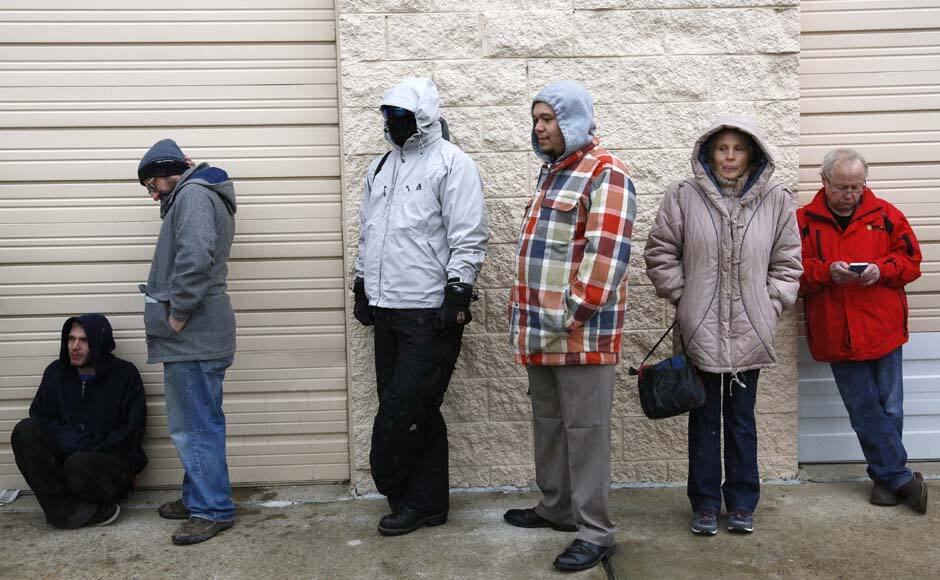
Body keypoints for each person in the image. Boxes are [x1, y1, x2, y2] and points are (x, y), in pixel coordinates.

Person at [645, 115, 802, 536]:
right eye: (722, 149)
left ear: (752, 153)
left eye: (738, 149)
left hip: (750, 331)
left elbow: (788, 263)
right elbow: (660, 252)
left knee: (741, 422)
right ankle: (706, 505)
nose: (729, 157)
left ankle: (743, 503)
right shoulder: (683, 195)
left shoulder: (775, 200)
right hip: (699, 330)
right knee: (704, 420)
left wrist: (769, 305)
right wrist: (685, 298)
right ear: (708, 153)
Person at [504, 80, 636, 572]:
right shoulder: (552, 174)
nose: (539, 128)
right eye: (536, 119)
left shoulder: (607, 172)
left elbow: (607, 256)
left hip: (579, 333)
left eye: (548, 119)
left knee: (586, 432)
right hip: (540, 333)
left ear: (573, 120)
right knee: (550, 427)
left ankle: (596, 532)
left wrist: (571, 315)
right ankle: (557, 507)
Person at [353, 77, 488, 536]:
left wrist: (458, 292)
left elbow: (467, 234)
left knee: (403, 410)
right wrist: (361, 283)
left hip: (430, 311)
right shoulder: (380, 169)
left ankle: (396, 486)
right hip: (387, 306)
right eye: (387, 115)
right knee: (417, 409)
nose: (391, 123)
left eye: (400, 114)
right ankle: (425, 503)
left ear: (422, 116)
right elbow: (369, 232)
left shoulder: (452, 165)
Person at [797, 148, 927, 513]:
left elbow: (911, 262)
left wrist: (880, 270)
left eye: (856, 186)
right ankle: (899, 477)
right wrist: (826, 272)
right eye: (842, 187)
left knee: (891, 406)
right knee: (864, 408)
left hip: (882, 327)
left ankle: (885, 480)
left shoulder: (887, 215)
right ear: (824, 182)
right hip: (837, 331)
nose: (850, 194)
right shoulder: (804, 221)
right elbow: (791, 272)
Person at [137, 138, 238, 544]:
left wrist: (176, 315)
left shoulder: (193, 196)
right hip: (196, 336)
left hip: (194, 335)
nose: (152, 195)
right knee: (195, 421)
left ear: (168, 173)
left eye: (152, 185)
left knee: (194, 426)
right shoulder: (197, 193)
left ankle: (212, 508)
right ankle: (199, 494)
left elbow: (196, 259)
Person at [10, 314, 147, 529]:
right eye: (71, 339)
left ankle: (71, 510)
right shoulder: (56, 372)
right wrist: (72, 443)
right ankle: (71, 512)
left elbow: (132, 432)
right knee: (25, 431)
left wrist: (86, 447)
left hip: (106, 463)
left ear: (99, 343)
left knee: (79, 464)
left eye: (84, 340)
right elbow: (40, 418)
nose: (74, 346)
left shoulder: (124, 375)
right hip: (67, 460)